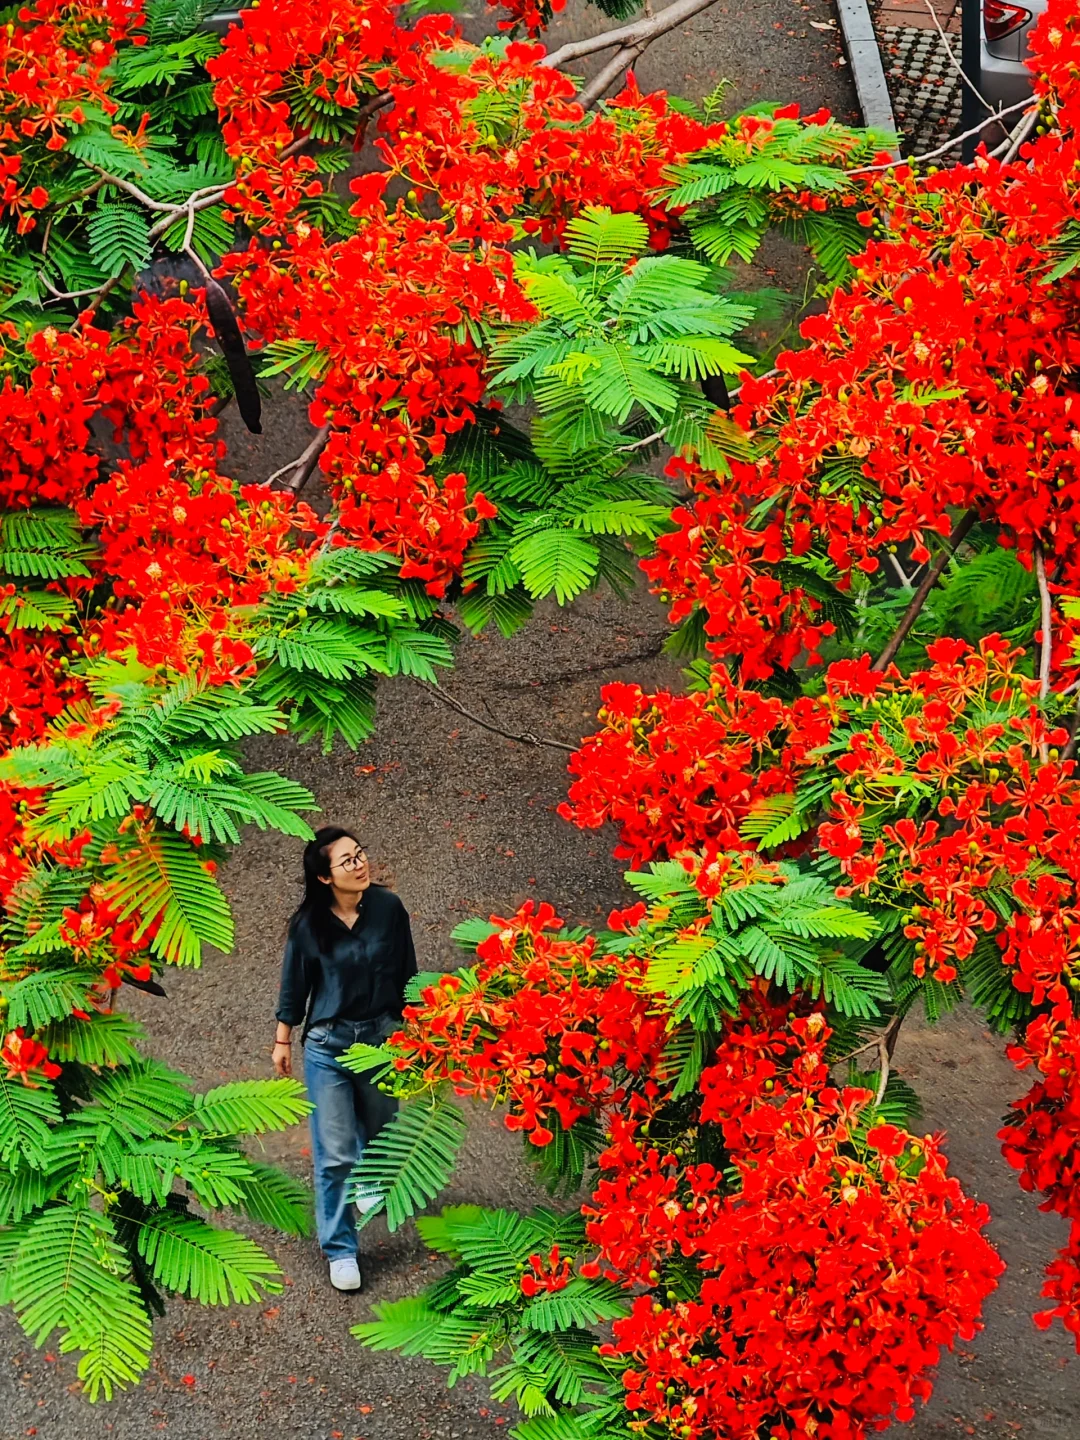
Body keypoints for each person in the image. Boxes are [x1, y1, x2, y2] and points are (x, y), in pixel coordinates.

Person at [272, 826, 417, 1292]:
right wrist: (281, 1041)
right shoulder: (308, 926)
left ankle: (370, 1175)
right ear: (324, 878)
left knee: (382, 1134)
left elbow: (407, 973)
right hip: (329, 1046)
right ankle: (341, 1249)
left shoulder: (389, 909)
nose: (360, 865)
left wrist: (419, 1032)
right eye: (347, 861)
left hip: (380, 1040)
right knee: (334, 1155)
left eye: (360, 854)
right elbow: (295, 987)